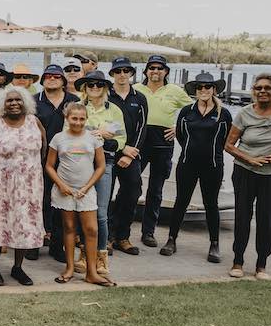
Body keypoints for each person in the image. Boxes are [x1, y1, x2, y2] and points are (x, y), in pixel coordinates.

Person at [224, 74, 271, 279]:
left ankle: (261, 265)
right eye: (258, 88)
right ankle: (237, 262)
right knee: (242, 217)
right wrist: (249, 159)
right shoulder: (244, 113)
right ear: (254, 91)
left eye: (267, 88)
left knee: (267, 220)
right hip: (244, 172)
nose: (263, 91)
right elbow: (229, 145)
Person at [162, 73, 233, 262]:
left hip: (213, 165)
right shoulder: (186, 111)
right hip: (187, 164)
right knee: (181, 202)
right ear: (195, 90)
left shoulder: (223, 114)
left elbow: (228, 139)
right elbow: (180, 135)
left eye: (207, 87)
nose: (203, 90)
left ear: (214, 90)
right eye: (200, 87)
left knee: (211, 204)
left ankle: (214, 244)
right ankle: (171, 240)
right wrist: (190, 149)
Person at [0, 86, 46, 287]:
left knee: (24, 224)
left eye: (18, 100)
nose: (14, 103)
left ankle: (18, 267)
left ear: (25, 102)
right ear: (2, 104)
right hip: (1, 184)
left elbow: (43, 148)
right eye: (9, 101)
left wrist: (31, 170)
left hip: (29, 185)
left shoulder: (35, 122)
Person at [45, 103, 114, 286]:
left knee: (91, 229)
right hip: (64, 190)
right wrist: (60, 185)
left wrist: (87, 186)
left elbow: (100, 166)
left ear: (86, 119)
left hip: (86, 191)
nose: (78, 122)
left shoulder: (93, 139)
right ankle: (68, 268)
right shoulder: (58, 138)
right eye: (74, 118)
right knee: (69, 227)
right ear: (67, 118)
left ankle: (91, 272)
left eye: (82, 119)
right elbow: (49, 166)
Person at [134, 55, 193, 248]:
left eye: (159, 68)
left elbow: (193, 111)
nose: (155, 71)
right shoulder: (136, 89)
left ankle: (148, 232)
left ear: (166, 71)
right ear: (146, 71)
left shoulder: (175, 91)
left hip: (163, 143)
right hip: (140, 141)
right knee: (132, 187)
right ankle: (120, 231)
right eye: (151, 68)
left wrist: (178, 128)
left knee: (156, 191)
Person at [77, 71, 125, 277]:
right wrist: (94, 134)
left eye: (98, 84)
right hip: (81, 163)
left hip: (105, 162)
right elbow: (68, 133)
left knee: (101, 213)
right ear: (85, 88)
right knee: (83, 211)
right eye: (90, 84)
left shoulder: (113, 110)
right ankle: (84, 254)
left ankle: (101, 255)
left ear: (104, 87)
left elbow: (121, 140)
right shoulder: (78, 108)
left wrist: (107, 139)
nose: (94, 88)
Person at [33, 64, 79, 263]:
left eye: (56, 76)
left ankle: (57, 245)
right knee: (37, 202)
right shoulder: (33, 101)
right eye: (48, 76)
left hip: (66, 160)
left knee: (62, 203)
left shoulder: (74, 101)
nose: (52, 79)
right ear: (42, 80)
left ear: (63, 80)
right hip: (37, 158)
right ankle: (34, 243)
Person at [107, 57, 148, 256]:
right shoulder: (106, 96)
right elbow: (103, 126)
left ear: (131, 73)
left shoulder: (139, 98)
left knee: (132, 193)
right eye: (118, 71)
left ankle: (122, 236)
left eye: (126, 71)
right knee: (105, 196)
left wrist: (131, 153)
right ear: (112, 74)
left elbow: (142, 128)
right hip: (109, 152)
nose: (122, 74)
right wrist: (121, 150)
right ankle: (106, 238)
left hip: (132, 154)